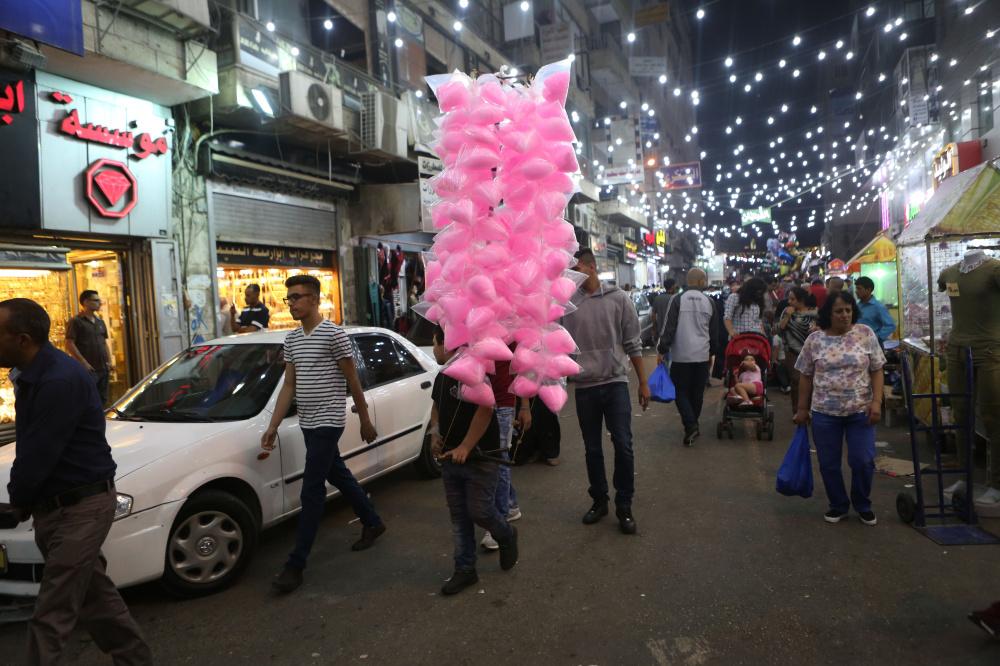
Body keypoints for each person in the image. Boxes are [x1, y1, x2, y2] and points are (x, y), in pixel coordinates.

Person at [0, 298, 151, 664]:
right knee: (96, 599)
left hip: (80, 509)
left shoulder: (58, 379)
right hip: (57, 507)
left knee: (52, 613)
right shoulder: (30, 374)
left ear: (22, 339)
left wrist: (18, 501)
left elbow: (38, 450)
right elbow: (33, 445)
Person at [262, 275, 384, 594]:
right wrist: (273, 425)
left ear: (315, 299)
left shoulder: (333, 334)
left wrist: (365, 418)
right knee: (337, 473)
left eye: (297, 297)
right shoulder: (292, 340)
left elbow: (352, 379)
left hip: (329, 420)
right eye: (289, 298)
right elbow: (289, 386)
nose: (291, 303)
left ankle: (296, 564)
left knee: (311, 489)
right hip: (307, 421)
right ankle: (372, 521)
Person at [562, 248, 649, 534]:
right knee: (592, 448)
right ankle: (599, 500)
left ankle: (624, 504)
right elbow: (559, 345)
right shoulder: (567, 305)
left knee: (623, 444)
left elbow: (633, 342)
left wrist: (643, 382)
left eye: (576, 269)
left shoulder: (618, 298)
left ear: (591, 267)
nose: (572, 275)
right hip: (585, 387)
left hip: (615, 384)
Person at [429, 326, 518, 595]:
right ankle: (465, 569)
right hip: (450, 459)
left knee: (480, 511)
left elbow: (486, 408)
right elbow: (436, 407)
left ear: (448, 343)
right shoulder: (443, 375)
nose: (433, 349)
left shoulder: (474, 371)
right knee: (459, 517)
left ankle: (505, 533)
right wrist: (435, 434)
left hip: (481, 457)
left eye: (434, 343)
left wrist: (467, 446)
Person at [794, 291, 885, 526]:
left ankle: (863, 504)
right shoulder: (815, 340)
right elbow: (805, 375)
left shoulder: (865, 334)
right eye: (839, 311)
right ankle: (838, 504)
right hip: (824, 413)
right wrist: (802, 408)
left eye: (848, 310)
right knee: (829, 463)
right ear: (828, 313)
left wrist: (876, 402)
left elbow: (877, 369)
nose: (844, 315)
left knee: (863, 460)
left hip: (860, 411)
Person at [657, 267, 721, 446]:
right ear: (701, 281)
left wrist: (662, 349)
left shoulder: (678, 300)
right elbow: (714, 332)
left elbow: (669, 328)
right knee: (697, 393)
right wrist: (711, 353)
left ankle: (691, 424)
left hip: (681, 356)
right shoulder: (709, 302)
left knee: (680, 392)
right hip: (702, 356)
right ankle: (692, 424)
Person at [480, 355, 529, 552]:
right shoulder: (475, 335)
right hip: (479, 402)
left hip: (503, 404)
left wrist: (525, 406)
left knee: (497, 460)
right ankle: (511, 504)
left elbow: (522, 368)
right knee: (496, 458)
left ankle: (498, 522)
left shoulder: (511, 336)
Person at [65, 289, 113, 406]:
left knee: (103, 400)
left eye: (99, 300)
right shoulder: (76, 321)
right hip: (89, 369)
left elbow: (104, 342)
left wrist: (109, 361)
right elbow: (69, 343)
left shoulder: (100, 322)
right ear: (86, 302)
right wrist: (83, 363)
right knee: (89, 400)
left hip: (103, 368)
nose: (99, 303)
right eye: (96, 300)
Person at [778, 286, 818, 413]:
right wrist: (787, 316)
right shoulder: (787, 311)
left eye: (792, 299)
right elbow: (780, 329)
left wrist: (818, 328)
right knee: (796, 380)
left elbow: (822, 329)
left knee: (812, 381)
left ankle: (810, 409)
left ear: (801, 300)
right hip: (792, 351)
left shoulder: (814, 312)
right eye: (789, 299)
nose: (789, 301)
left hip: (812, 351)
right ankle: (796, 410)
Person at [854, 276, 896, 344]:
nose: (856, 291)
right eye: (856, 288)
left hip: (873, 344)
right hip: (859, 342)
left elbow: (890, 326)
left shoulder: (878, 307)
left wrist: (876, 337)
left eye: (859, 288)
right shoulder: (858, 306)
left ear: (868, 290)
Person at [651, 277, 678, 343]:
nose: (676, 287)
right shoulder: (676, 299)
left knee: (661, 348)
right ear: (672, 286)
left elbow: (653, 315)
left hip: (661, 332)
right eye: (675, 285)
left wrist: (654, 328)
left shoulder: (658, 298)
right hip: (674, 332)